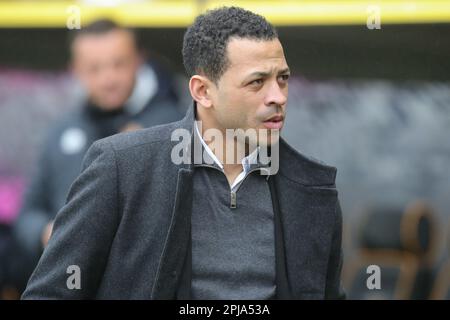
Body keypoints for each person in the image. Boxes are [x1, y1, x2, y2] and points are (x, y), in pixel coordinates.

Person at [22, 7, 344, 299]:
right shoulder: (122, 166)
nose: (278, 96)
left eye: (283, 79)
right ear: (202, 91)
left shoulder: (312, 188)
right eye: (257, 82)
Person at [13, 19, 182, 292]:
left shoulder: (173, 127)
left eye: (119, 63)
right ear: (75, 70)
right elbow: (28, 214)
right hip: (71, 282)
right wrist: (48, 233)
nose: (108, 78)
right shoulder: (61, 131)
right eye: (94, 68)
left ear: (139, 61)